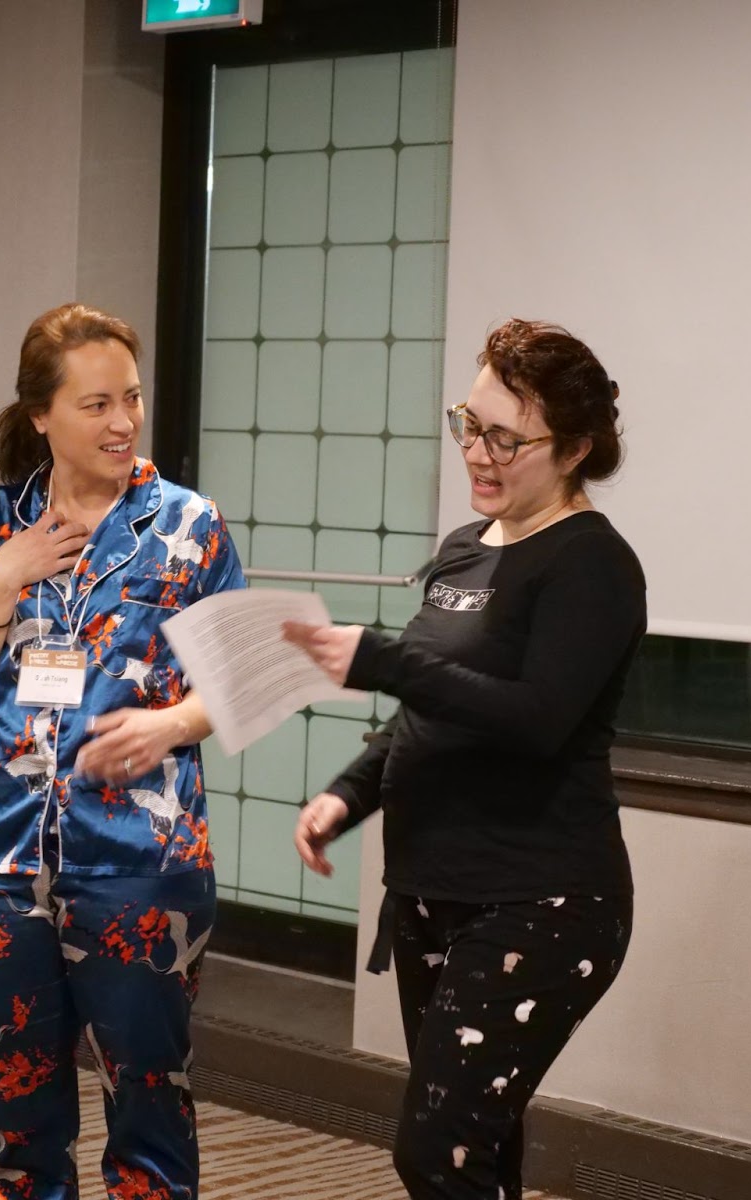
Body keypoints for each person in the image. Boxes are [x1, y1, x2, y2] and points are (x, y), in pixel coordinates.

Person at [284, 319, 644, 1200]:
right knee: (481, 1143)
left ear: (576, 449)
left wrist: (377, 656)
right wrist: (347, 795)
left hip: (541, 902)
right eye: (469, 425)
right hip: (430, 892)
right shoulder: (462, 550)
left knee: (438, 1149)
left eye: (505, 438)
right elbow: (432, 709)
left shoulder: (592, 565)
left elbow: (533, 720)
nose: (477, 454)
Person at [0, 302, 245, 1200]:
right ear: (41, 416)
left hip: (141, 864)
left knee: (150, 1112)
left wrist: (172, 725)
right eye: (96, 404)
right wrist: (0, 579)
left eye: (131, 399)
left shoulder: (189, 527)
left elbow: (241, 678)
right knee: (19, 1124)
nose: (123, 422)